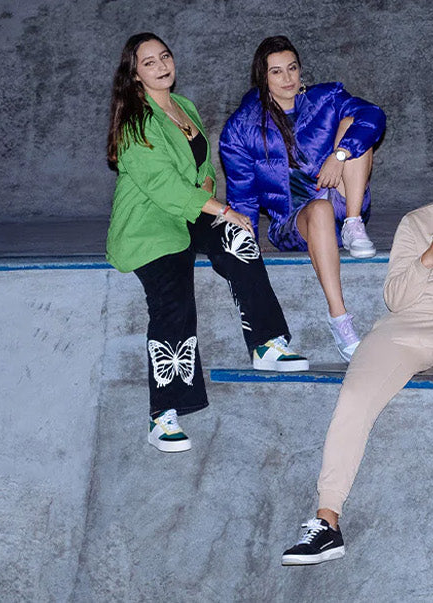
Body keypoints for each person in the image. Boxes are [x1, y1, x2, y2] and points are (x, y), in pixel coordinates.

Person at [280, 139, 433, 566]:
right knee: (353, 397)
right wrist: (428, 258)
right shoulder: (417, 222)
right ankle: (326, 521)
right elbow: (395, 297)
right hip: (404, 327)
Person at [105, 33, 308, 453]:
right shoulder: (135, 122)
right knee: (173, 303)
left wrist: (214, 199)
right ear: (135, 74)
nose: (162, 65)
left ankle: (266, 344)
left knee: (236, 238)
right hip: (151, 223)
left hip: (189, 209)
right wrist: (222, 207)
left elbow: (202, 171)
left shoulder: (185, 108)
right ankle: (162, 415)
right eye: (149, 62)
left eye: (165, 56)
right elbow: (163, 187)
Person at [220, 35, 386, 362]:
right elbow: (242, 194)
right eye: (277, 72)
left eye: (292, 68)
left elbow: (374, 116)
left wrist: (339, 155)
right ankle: (340, 320)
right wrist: (246, 245)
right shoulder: (242, 127)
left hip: (340, 197)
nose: (288, 79)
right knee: (319, 209)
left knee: (356, 125)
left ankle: (353, 224)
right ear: (262, 78)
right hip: (293, 222)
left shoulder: (326, 98)